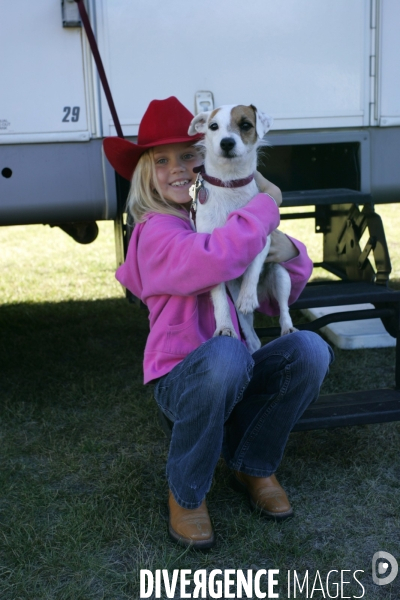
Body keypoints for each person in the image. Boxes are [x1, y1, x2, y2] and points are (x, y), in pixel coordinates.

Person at [103, 96, 334, 550]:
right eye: (161, 160)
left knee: (310, 349)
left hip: (237, 368)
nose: (178, 168)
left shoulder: (218, 209)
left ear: (206, 152)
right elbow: (216, 259)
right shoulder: (154, 231)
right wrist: (269, 203)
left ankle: (252, 463)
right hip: (184, 378)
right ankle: (187, 492)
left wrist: (292, 251)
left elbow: (268, 295)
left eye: (188, 155)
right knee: (226, 353)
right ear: (144, 173)